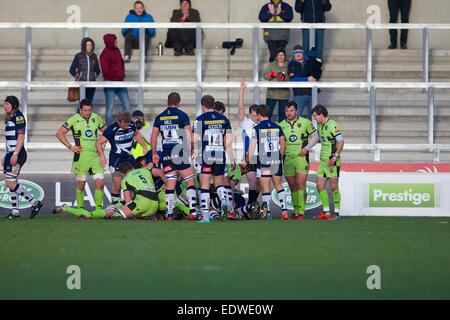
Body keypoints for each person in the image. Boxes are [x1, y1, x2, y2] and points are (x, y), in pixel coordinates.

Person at [53, 161, 159, 220]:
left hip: (140, 203)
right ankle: (147, 216)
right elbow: (155, 169)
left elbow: (128, 202)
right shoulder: (145, 171)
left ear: (122, 173)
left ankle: (84, 214)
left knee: (112, 215)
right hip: (155, 204)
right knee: (122, 208)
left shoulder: (125, 179)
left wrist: (127, 212)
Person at [151, 92, 198, 220]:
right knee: (190, 180)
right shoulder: (182, 115)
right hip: (180, 151)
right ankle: (193, 211)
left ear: (167, 101)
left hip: (166, 153)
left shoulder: (160, 117)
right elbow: (189, 135)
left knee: (170, 182)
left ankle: (169, 213)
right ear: (178, 102)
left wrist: (154, 153)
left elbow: (154, 137)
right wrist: (192, 149)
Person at [56, 99, 106, 213]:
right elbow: (59, 133)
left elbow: (106, 132)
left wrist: (103, 144)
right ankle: (80, 209)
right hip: (81, 156)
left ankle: (98, 209)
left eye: (89, 110)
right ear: (80, 109)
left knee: (100, 182)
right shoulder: (74, 119)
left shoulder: (96, 118)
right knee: (81, 184)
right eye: (85, 110)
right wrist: (70, 146)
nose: (87, 112)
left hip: (95, 156)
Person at [193, 95, 235, 223]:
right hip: (219, 154)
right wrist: (232, 159)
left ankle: (205, 217)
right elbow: (228, 141)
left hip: (206, 155)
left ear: (203, 105)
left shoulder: (200, 119)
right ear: (213, 104)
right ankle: (224, 201)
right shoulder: (224, 119)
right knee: (219, 184)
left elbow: (195, 139)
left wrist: (195, 153)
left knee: (204, 186)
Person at [2, 96, 43, 219]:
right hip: (11, 152)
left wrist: (14, 154)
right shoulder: (11, 117)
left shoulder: (18, 117)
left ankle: (35, 202)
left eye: (7, 104)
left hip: (17, 153)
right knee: (12, 182)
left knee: (10, 183)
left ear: (14, 106)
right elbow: (10, 139)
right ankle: (15, 212)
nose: (5, 106)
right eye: (4, 104)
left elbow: (21, 137)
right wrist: (7, 154)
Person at [96, 111, 148, 205]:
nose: (127, 125)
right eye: (125, 124)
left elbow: (136, 134)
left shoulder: (131, 125)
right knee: (118, 184)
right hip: (116, 160)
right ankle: (115, 207)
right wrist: (102, 156)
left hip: (129, 159)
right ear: (119, 121)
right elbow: (98, 142)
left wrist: (144, 147)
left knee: (133, 183)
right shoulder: (112, 129)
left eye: (128, 123)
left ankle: (131, 207)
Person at [279, 101, 319, 219]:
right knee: (292, 186)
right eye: (286, 111)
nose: (289, 113)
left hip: (301, 158)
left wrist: (306, 148)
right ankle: (296, 211)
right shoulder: (281, 125)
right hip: (287, 159)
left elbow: (316, 136)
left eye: (291, 110)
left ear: (296, 111)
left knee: (301, 184)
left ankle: (301, 212)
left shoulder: (305, 122)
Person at [248, 104, 287, 220]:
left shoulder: (257, 128)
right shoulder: (277, 127)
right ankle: (284, 211)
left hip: (264, 160)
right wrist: (281, 157)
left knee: (265, 187)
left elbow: (252, 145)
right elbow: (283, 144)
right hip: (276, 159)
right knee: (279, 185)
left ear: (259, 114)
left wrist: (248, 159)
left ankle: (268, 213)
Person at [312, 104, 344, 220]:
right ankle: (326, 212)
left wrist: (335, 157)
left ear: (321, 114)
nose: (314, 118)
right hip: (323, 161)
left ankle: (337, 213)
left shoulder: (332, 125)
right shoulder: (320, 126)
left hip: (332, 161)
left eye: (315, 116)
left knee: (334, 187)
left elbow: (341, 142)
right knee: (319, 186)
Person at [237, 79, 260, 207]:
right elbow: (240, 109)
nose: (256, 117)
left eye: (258, 115)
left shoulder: (263, 125)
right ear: (250, 114)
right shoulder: (246, 123)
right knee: (252, 182)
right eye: (254, 115)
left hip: (262, 157)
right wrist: (241, 92)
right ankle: (250, 207)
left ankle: (252, 204)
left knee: (260, 185)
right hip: (249, 157)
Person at [100, 34, 131, 127]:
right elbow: (105, 71)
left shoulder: (117, 51)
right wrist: (118, 75)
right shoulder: (104, 54)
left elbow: (121, 64)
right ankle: (109, 128)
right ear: (110, 41)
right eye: (115, 41)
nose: (117, 42)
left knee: (127, 104)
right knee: (110, 107)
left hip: (120, 82)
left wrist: (122, 74)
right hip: (110, 83)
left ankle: (126, 125)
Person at [288, 45, 323, 119]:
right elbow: (293, 79)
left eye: (300, 52)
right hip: (299, 94)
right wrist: (307, 79)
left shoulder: (310, 62)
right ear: (293, 54)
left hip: (311, 93)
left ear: (303, 54)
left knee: (314, 117)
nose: (298, 54)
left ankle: (313, 131)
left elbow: (316, 74)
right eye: (296, 53)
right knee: (297, 117)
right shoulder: (291, 65)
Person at [69, 37, 101, 103]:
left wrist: (93, 76)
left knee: (89, 104)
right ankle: (79, 113)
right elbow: (71, 70)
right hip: (82, 84)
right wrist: (79, 76)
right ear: (84, 46)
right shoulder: (78, 56)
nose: (89, 47)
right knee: (82, 104)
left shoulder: (94, 56)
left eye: (91, 45)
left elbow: (97, 70)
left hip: (92, 84)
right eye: (87, 45)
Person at [264, 48, 290, 122]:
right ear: (276, 56)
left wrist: (284, 77)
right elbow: (265, 76)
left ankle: (282, 131)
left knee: (283, 115)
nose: (281, 56)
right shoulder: (271, 65)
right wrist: (272, 74)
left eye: (282, 55)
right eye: (279, 55)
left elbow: (292, 77)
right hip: (272, 93)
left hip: (284, 94)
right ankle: (266, 128)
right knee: (267, 114)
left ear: (285, 56)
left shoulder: (289, 65)